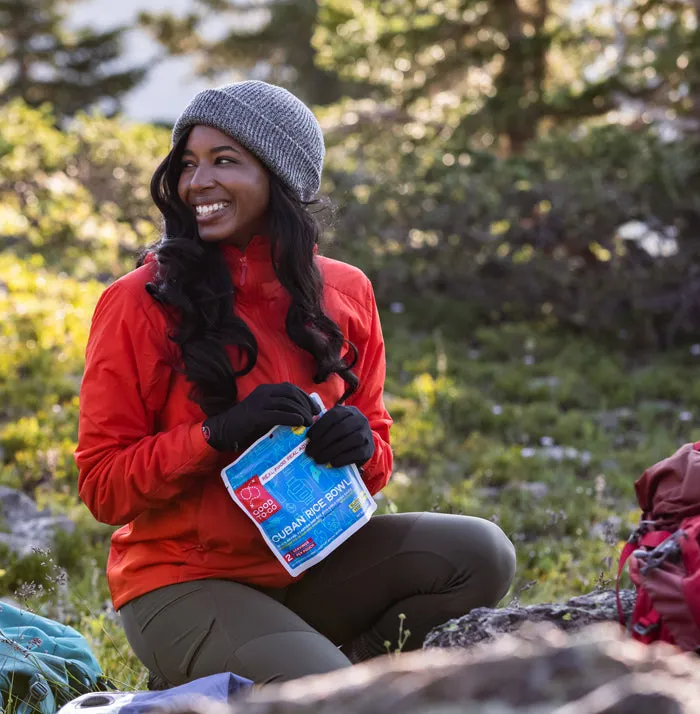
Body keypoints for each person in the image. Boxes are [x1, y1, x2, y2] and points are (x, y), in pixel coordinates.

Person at [74, 80, 516, 687]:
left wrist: (361, 446)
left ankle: (298, 677)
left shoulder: (346, 291)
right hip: (183, 582)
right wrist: (217, 434)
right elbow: (103, 487)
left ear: (282, 179)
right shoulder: (137, 303)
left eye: (224, 161)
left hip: (313, 567)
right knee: (334, 696)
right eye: (188, 163)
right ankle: (278, 675)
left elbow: (377, 458)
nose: (196, 181)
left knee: (480, 554)